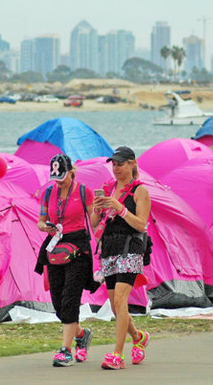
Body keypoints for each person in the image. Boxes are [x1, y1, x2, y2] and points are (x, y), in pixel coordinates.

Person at [35, 154, 98, 367]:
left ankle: (65, 350)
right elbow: (40, 221)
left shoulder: (83, 191)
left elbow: (94, 221)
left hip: (78, 247)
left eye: (62, 176)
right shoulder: (49, 193)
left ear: (71, 171)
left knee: (71, 298)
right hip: (56, 246)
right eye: (56, 177)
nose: (59, 181)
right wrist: (46, 226)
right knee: (58, 302)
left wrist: (100, 210)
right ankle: (81, 335)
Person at [93, 146, 152, 370]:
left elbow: (142, 224)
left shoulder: (140, 191)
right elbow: (94, 224)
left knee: (120, 300)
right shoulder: (107, 188)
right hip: (108, 248)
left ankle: (117, 354)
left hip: (131, 248)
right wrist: (97, 209)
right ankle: (138, 337)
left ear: (132, 164)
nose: (116, 168)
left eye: (120, 163)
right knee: (116, 306)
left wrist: (121, 209)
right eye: (114, 164)